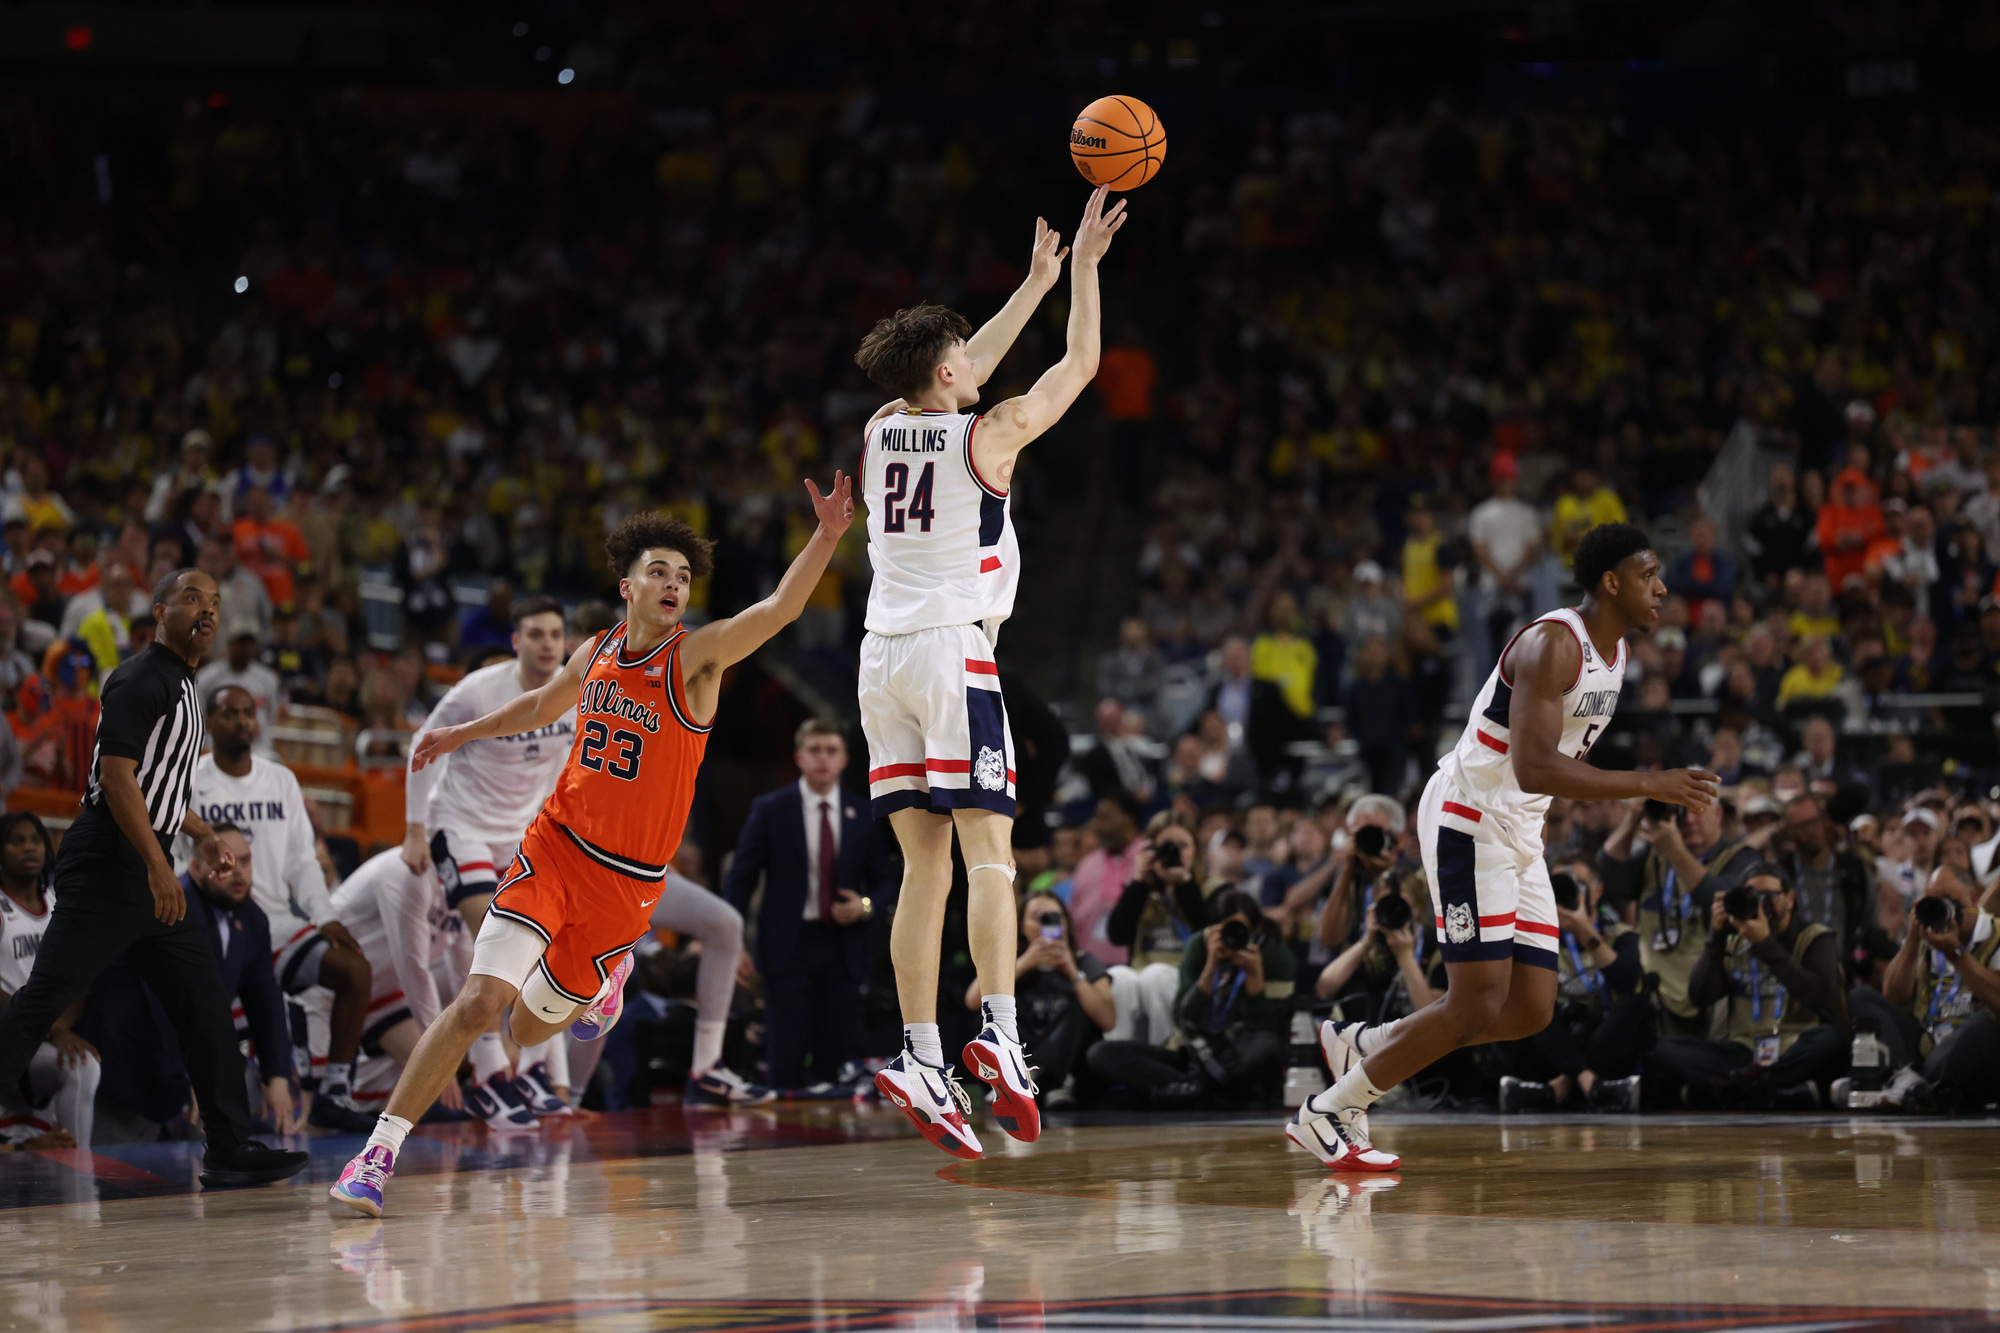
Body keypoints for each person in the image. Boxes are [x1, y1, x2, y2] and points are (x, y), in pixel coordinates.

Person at [332, 482, 854, 1217]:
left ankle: (610, 973)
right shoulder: (599, 647)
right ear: (627, 586)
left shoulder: (697, 658)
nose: (674, 583)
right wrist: (458, 734)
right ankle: (376, 1154)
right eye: (660, 571)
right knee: (481, 1001)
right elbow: (541, 705)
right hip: (554, 846)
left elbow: (779, 611)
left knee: (526, 1027)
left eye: (682, 575)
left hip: (627, 884)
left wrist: (826, 536)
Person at [1290, 523, 1717, 1171]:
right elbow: (1533, 768)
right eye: (1648, 574)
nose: (1662, 587)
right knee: (1474, 1001)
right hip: (1471, 817)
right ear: (1611, 581)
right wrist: (1646, 781)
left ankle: (1367, 1042)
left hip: (1518, 827)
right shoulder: (1552, 644)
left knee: (1528, 1007)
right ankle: (1332, 1110)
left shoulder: (1618, 655)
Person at [850, 188, 1124, 1159]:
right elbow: (1077, 365)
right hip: (948, 648)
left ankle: (919, 1052)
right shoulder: (990, 434)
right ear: (946, 370)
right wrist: (1079, 273)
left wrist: (1028, 285)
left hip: (877, 660)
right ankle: (1000, 1039)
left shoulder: (884, 426)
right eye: (961, 357)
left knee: (921, 869)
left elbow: (955, 371)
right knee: (991, 856)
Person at [0, 568, 307, 1188]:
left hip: (144, 860)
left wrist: (202, 834)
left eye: (217, 601)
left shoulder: (187, 685)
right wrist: (158, 865)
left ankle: (227, 1147)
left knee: (204, 1005)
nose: (209, 610)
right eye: (193, 597)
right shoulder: (141, 677)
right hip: (112, 861)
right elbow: (115, 779)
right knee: (41, 1000)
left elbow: (155, 788)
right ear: (160, 611)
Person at [398, 594, 577, 1124]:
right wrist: (414, 830)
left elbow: (570, 764)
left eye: (555, 634)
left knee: (545, 949)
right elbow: (422, 743)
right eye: (536, 634)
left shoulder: (575, 689)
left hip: (523, 836)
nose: (548, 644)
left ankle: (529, 1073)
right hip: (462, 827)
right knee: (497, 946)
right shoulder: (478, 691)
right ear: (516, 641)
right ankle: (493, 1072)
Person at [186, 684, 373, 1132]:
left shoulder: (280, 779)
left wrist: (325, 915)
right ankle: (204, 1097)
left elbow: (301, 862)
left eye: (248, 713)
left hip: (273, 922)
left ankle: (334, 1091)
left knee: (355, 970)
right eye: (229, 713)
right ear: (209, 723)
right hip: (213, 920)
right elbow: (182, 862)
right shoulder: (191, 780)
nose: (241, 721)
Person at [724, 717, 897, 1094]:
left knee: (834, 1059)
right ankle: (783, 1145)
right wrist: (731, 941)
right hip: (788, 944)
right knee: (784, 1057)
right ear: (799, 757)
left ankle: (832, 1147)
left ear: (845, 759)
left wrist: (865, 905)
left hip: (843, 944)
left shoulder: (863, 812)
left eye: (831, 750)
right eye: (815, 750)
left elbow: (887, 879)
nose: (823, 759)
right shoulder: (770, 809)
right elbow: (741, 879)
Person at [1649, 865, 1848, 1108]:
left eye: (1770, 896)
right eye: (1753, 896)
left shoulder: (1814, 937)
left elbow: (1821, 998)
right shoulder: (1735, 942)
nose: (1762, 904)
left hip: (1792, 1046)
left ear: (1790, 899)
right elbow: (1699, 995)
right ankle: (1766, 1090)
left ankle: (1728, 1091)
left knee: (1831, 1039)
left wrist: (1766, 945)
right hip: (1744, 1050)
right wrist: (1716, 935)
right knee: (1667, 1047)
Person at [1087, 892, 1295, 1109]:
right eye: (1226, 930)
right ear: (1212, 929)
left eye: (1242, 930)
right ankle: (1201, 1091)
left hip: (1239, 1053)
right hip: (1195, 1055)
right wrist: (1210, 968)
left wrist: (1255, 979)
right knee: (1101, 1053)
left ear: (1256, 930)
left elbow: (1270, 1028)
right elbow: (1184, 1020)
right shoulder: (1200, 946)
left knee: (1267, 1044)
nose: (1234, 938)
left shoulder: (1274, 953)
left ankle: (1182, 1091)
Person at [326, 849, 472, 1114]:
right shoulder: (403, 869)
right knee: (321, 1104)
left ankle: (381, 1137)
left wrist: (485, 1048)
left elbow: (468, 978)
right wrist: (439, 1053)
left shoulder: (466, 887)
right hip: (330, 988)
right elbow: (414, 968)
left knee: (434, 1076)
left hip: (383, 995)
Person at [183, 823, 301, 1135]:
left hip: (201, 1054)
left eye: (244, 861)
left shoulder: (252, 919)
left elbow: (265, 1000)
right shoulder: (176, 908)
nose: (237, 872)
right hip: (148, 1059)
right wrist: (189, 1072)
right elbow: (161, 1008)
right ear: (195, 868)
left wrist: (276, 1076)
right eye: (224, 862)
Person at [0, 813, 100, 1147]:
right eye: (17, 840)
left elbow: (77, 980)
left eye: (36, 840)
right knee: (80, 1068)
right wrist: (52, 1028)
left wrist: (59, 1027)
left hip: (44, 1035)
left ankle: (78, 1170)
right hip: (8, 1034)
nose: (29, 848)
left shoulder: (58, 904)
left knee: (83, 1065)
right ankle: (78, 1174)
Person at [967, 893, 1114, 1108]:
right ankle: (1017, 1077)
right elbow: (972, 1000)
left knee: (1078, 1002)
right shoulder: (1011, 961)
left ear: (1066, 924)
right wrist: (1025, 963)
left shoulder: (1083, 960)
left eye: (1055, 917)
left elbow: (1108, 1020)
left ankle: (1056, 1080)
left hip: (1069, 1065)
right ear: (1021, 925)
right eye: (1038, 917)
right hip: (1023, 1053)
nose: (1046, 924)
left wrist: (1072, 972)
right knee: (996, 1008)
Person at [1876, 863, 2000, 1110]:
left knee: (1985, 1024)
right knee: (1863, 998)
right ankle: (1909, 1083)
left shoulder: (1996, 934)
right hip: (1926, 1044)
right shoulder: (1925, 935)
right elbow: (1892, 998)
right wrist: (1912, 940)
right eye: (1934, 901)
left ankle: (1917, 1088)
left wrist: (1955, 954)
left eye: (1948, 901)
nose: (1944, 911)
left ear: (1973, 898)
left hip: (1972, 1052)